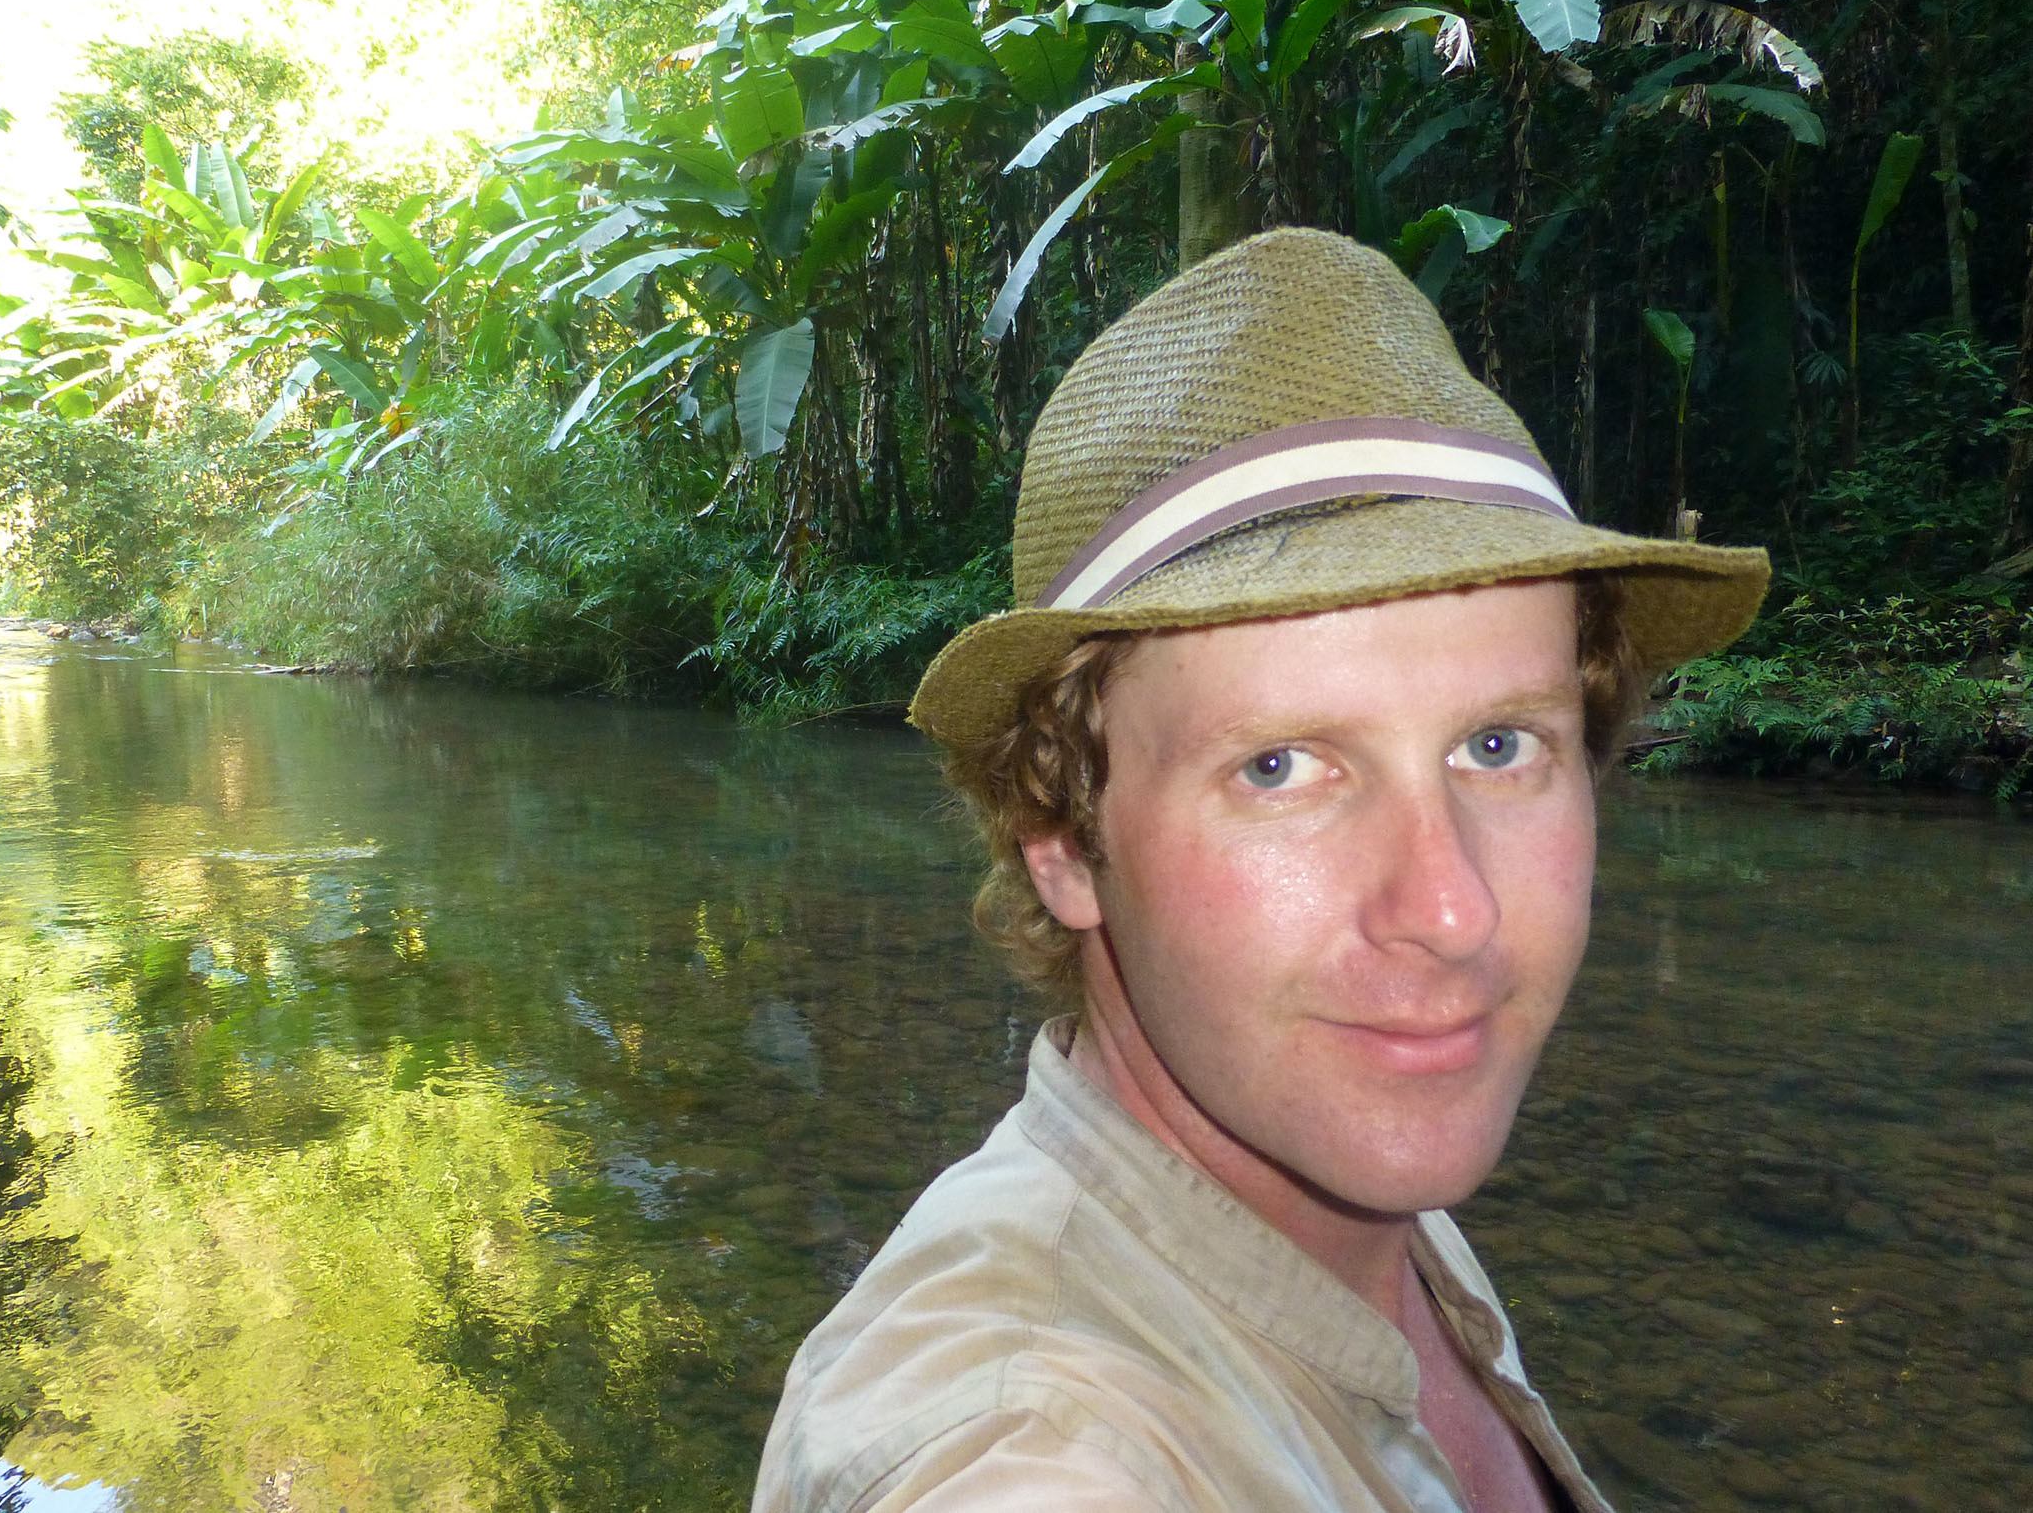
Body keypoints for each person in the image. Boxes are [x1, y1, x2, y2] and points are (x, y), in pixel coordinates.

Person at [750, 228, 1768, 1513]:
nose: (1451, 913)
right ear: (1061, 841)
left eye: (1498, 746)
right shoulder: (1022, 1440)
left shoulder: (1352, 1182)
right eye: (1279, 768)